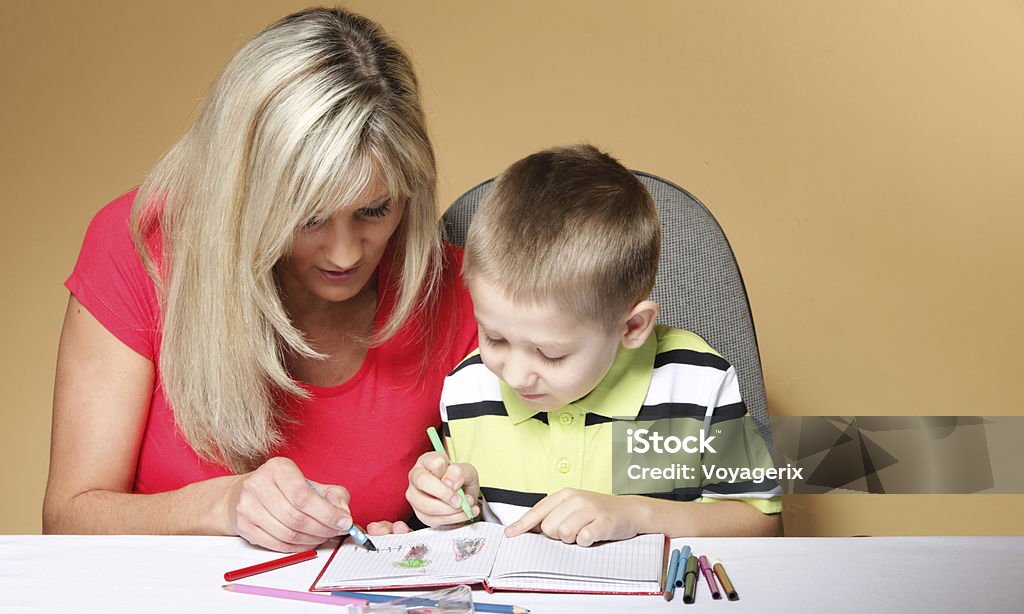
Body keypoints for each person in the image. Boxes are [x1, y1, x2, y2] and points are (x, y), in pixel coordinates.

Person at [43, 7, 479, 552]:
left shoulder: (461, 291)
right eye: (308, 217)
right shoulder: (140, 246)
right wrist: (224, 505)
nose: (345, 254)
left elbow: (561, 478)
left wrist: (445, 521)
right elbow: (69, 517)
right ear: (243, 192)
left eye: (375, 209)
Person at [406, 144, 782, 545]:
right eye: (494, 337)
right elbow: (476, 538)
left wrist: (638, 514)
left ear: (632, 326)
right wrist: (451, 506)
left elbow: (763, 525)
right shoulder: (467, 387)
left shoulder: (697, 382)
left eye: (551, 353)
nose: (513, 374)